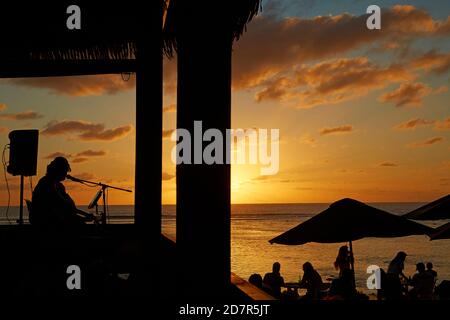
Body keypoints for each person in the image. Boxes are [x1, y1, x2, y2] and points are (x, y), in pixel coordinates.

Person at [31, 156, 94, 231]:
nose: (66, 173)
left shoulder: (59, 185)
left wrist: (86, 215)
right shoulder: (47, 183)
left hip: (58, 219)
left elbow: (71, 209)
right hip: (48, 223)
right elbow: (62, 207)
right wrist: (84, 219)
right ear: (59, 170)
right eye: (65, 171)